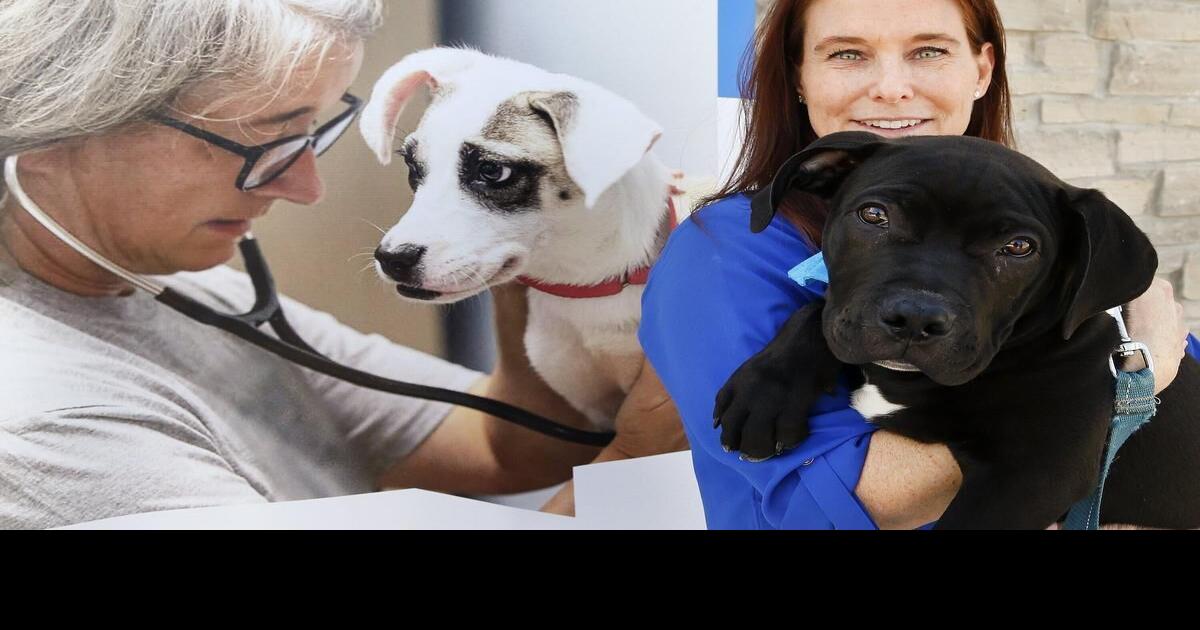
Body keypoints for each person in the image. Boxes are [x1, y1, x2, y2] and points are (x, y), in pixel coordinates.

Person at [0, 0, 686, 529]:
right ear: (61, 132)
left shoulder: (186, 287)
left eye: (311, 134)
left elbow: (506, 443)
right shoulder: (39, 423)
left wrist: (557, 247)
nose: (307, 187)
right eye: (265, 142)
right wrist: (643, 451)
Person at [639, 0, 1198, 529]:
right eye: (847, 53)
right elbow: (834, 501)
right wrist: (1135, 377)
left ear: (981, 70)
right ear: (798, 76)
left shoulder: (1056, 222)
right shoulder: (725, 253)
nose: (891, 88)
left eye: (929, 51)